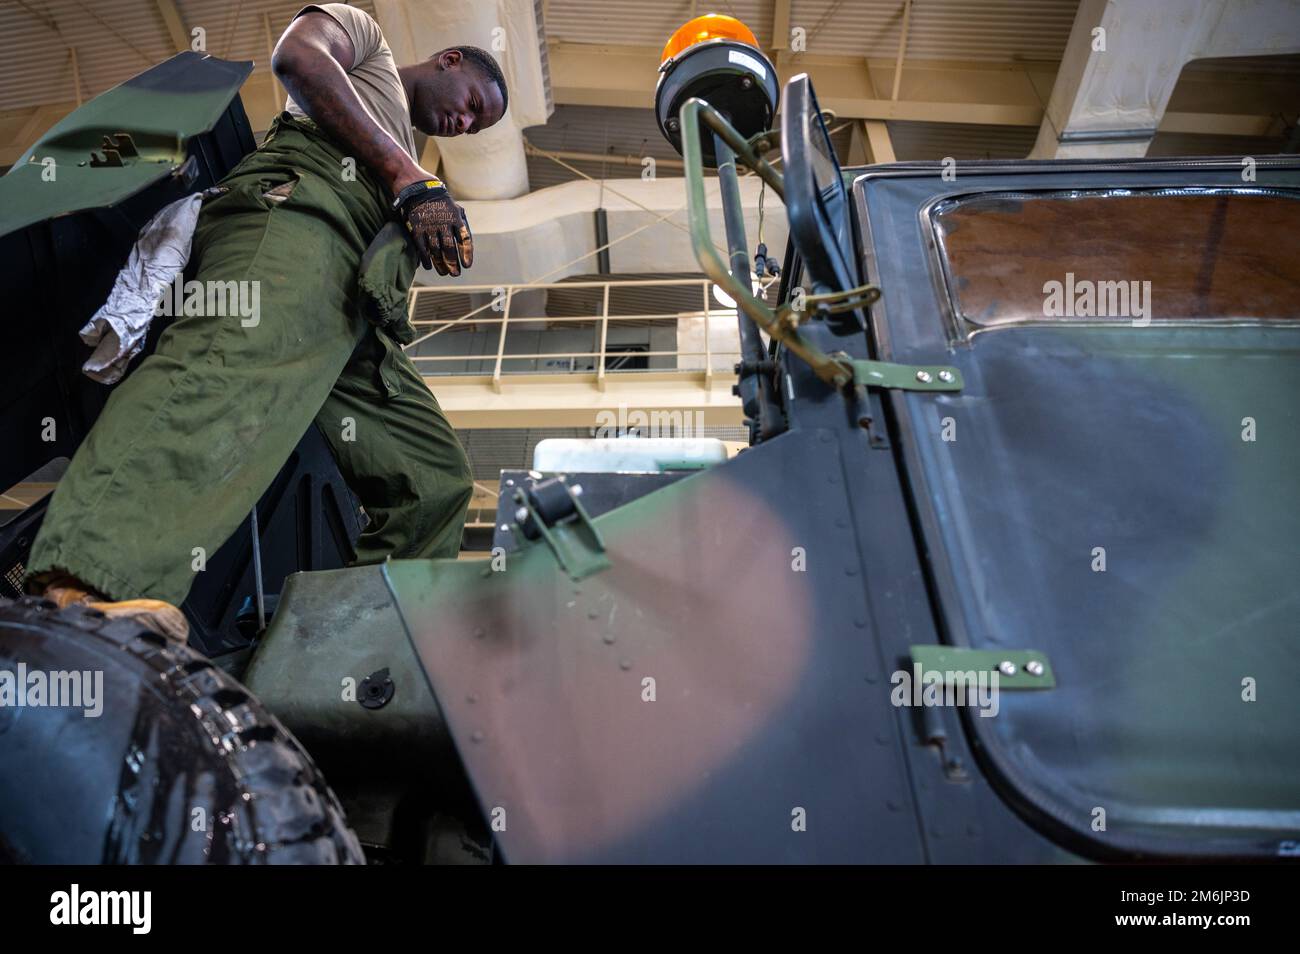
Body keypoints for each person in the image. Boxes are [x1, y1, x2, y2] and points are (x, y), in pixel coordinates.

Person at [26, 3, 508, 641]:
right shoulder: (366, 41)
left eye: (477, 126)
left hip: (355, 307)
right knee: (222, 372)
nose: (466, 122)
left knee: (435, 479)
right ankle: (83, 585)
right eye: (473, 102)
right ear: (450, 60)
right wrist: (408, 178)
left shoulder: (407, 150)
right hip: (295, 224)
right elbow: (298, 56)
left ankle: (347, 660)